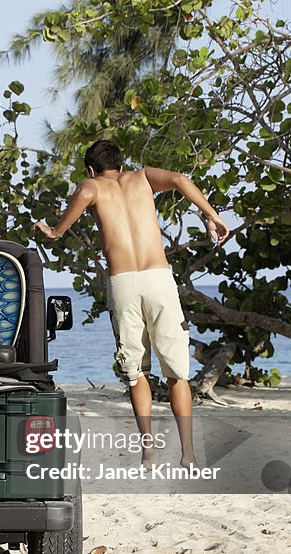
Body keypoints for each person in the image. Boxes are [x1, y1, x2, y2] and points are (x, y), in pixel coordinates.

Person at [35, 141, 228, 468]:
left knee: (136, 372)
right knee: (178, 374)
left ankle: (149, 451)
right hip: (159, 279)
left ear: (91, 169)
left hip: (124, 284)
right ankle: (189, 454)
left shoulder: (91, 185)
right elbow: (181, 179)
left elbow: (83, 195)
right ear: (120, 164)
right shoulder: (143, 177)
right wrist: (212, 216)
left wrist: (54, 231)